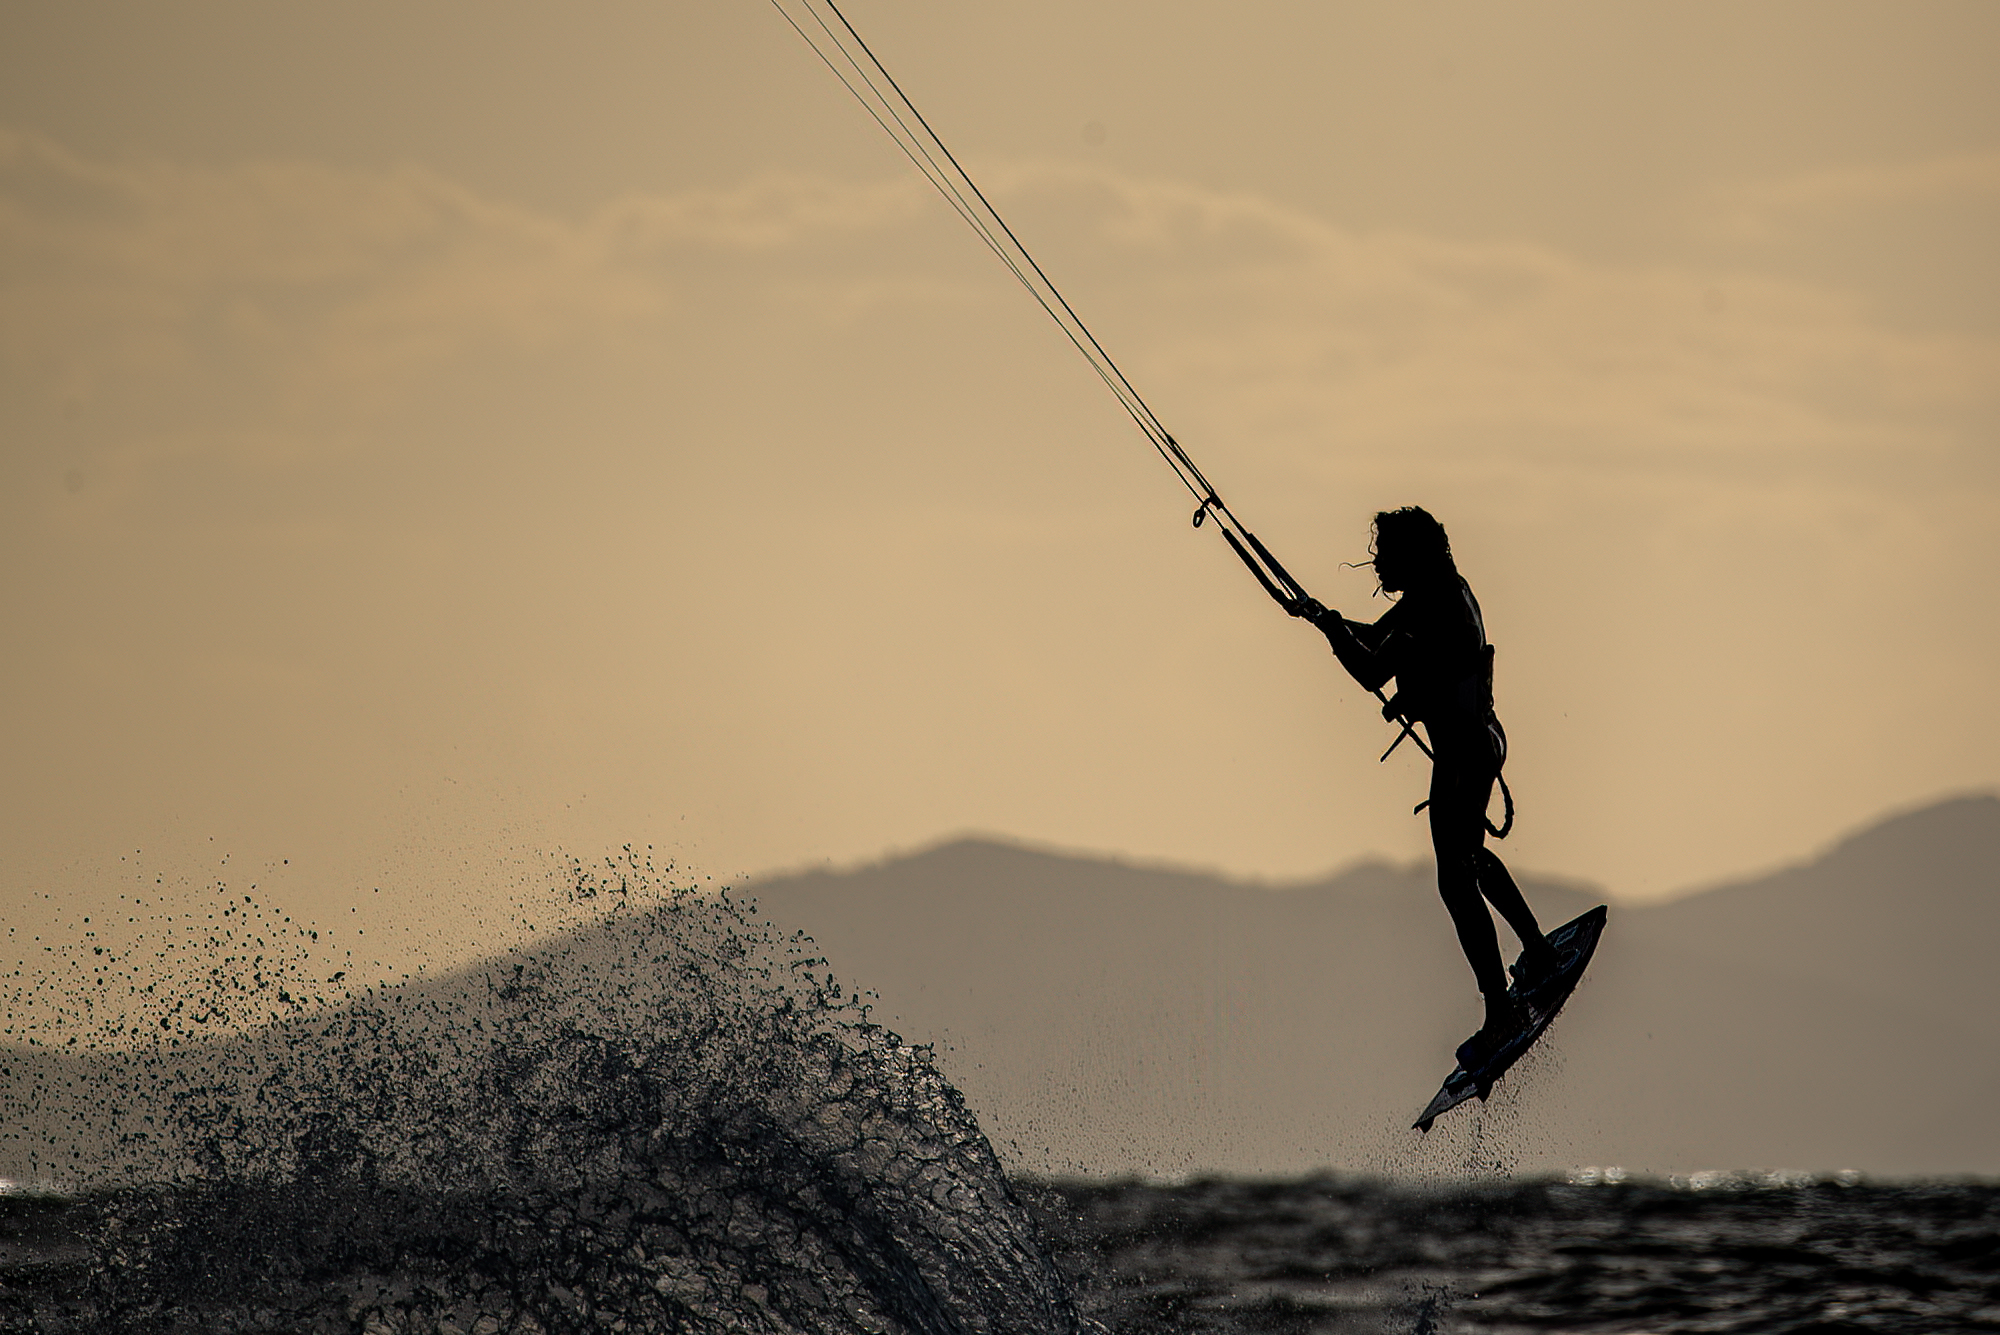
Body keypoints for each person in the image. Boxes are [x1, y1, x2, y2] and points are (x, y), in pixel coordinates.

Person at [1289, 507, 1559, 1068]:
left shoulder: (1429, 608)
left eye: (1386, 554)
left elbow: (1371, 670)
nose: (1378, 564)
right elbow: (1376, 638)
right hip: (1481, 743)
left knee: (1455, 880)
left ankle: (1500, 1009)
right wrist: (1326, 618)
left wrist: (1332, 631)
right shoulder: (1444, 591)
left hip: (1463, 755)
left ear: (1413, 556)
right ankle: (1536, 952)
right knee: (1469, 858)